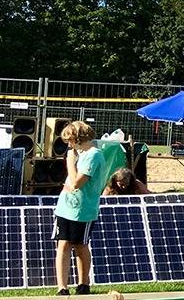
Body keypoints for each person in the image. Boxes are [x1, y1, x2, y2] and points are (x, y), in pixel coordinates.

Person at [53, 121, 111, 296]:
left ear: (78, 138)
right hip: (65, 208)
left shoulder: (93, 155)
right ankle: (62, 287)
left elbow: (76, 183)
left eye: (70, 140)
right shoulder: (81, 153)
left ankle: (83, 284)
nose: (69, 145)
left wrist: (70, 162)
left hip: (82, 210)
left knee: (80, 245)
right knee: (63, 244)